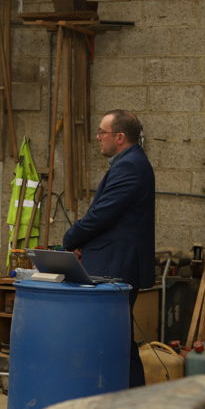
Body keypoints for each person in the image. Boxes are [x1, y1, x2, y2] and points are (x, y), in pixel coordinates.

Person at [63, 109, 155, 388]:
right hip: (113, 262)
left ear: (119, 137)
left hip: (117, 266)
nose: (98, 137)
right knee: (117, 339)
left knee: (115, 340)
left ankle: (130, 397)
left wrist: (70, 239)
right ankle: (128, 397)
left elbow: (103, 214)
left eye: (102, 132)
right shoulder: (127, 163)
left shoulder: (130, 166)